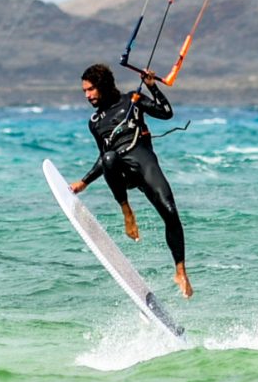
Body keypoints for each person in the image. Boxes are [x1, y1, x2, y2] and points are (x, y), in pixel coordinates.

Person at [70, 63, 193, 298]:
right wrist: (84, 182)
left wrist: (152, 87)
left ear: (103, 86)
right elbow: (104, 158)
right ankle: (127, 211)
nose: (87, 96)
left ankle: (180, 271)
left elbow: (166, 112)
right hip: (122, 173)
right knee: (109, 157)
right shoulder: (95, 122)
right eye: (85, 91)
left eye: (91, 89)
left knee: (170, 211)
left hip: (145, 165)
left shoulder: (132, 100)